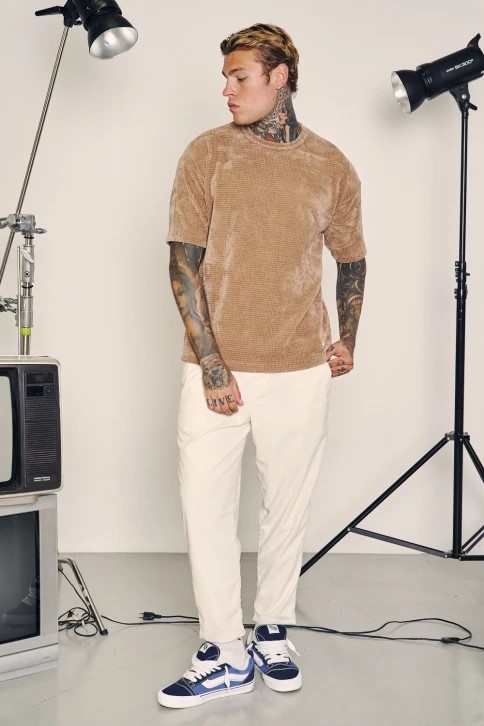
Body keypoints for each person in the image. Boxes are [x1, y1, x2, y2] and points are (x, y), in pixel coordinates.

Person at [158, 23, 367, 710]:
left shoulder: (330, 164)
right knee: (206, 509)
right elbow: (182, 264)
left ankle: (273, 629)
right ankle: (223, 649)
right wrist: (213, 366)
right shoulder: (207, 154)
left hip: (300, 367)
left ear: (280, 77)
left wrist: (348, 337)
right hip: (216, 368)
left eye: (240, 76)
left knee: (287, 507)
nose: (227, 89)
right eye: (226, 77)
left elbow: (352, 258)